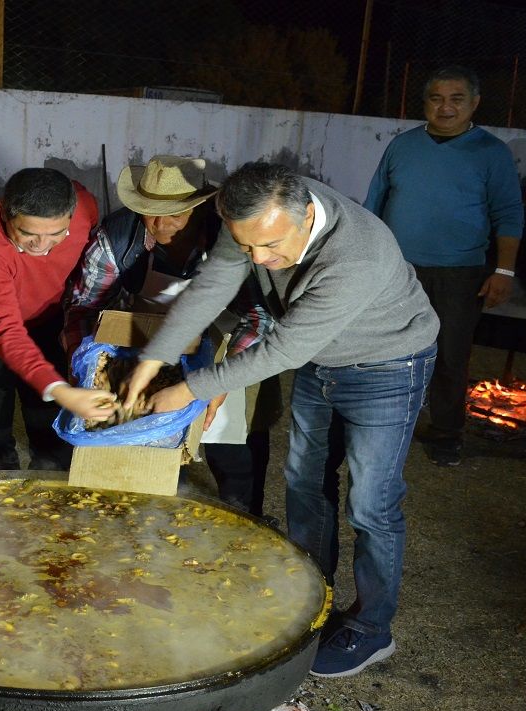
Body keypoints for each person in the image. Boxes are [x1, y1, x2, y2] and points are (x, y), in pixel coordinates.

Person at [125, 163, 439, 678]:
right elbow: (210, 289)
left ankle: (372, 628)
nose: (260, 262)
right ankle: (310, 597)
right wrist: (153, 360)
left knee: (371, 502)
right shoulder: (255, 214)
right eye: (247, 248)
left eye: (269, 248)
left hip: (387, 364)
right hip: (323, 362)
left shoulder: (356, 254)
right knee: (304, 482)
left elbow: (285, 348)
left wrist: (190, 387)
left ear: (307, 214)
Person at [63, 155, 279, 516]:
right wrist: (86, 365)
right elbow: (83, 306)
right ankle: (134, 516)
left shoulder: (233, 237)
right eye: (151, 212)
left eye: (176, 213)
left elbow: (259, 316)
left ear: (202, 207)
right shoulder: (117, 237)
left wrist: (219, 382)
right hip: (144, 337)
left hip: (227, 338)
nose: (162, 224)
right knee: (136, 441)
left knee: (231, 443)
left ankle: (242, 518)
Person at [364, 65, 524, 468]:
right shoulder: (402, 146)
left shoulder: (491, 152)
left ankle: (447, 434)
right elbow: (375, 203)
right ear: (426, 103)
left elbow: (508, 212)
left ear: (474, 103)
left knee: (450, 355)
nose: (445, 107)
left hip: (460, 273)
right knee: (385, 348)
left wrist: (503, 271)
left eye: (456, 99)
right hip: (399, 270)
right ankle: (384, 424)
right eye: (436, 98)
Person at [0, 168, 116, 471]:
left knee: (47, 411)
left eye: (55, 234)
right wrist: (64, 392)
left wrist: (59, 392)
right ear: (4, 213)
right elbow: (4, 329)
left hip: (47, 313)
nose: (42, 245)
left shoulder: (84, 207)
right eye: (28, 233)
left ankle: (52, 484)